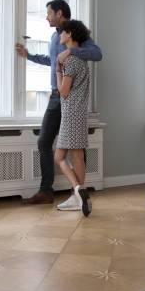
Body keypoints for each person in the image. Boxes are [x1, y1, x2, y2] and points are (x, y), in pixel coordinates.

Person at [15, 0, 102, 205]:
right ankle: (47, 191)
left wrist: (71, 51)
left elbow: (97, 54)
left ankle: (78, 194)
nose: (46, 17)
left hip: (72, 97)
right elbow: (54, 61)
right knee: (44, 141)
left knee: (76, 149)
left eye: (49, 13)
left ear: (59, 13)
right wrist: (29, 56)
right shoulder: (55, 37)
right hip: (57, 96)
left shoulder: (77, 32)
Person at [54, 20, 92, 215]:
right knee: (77, 156)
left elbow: (63, 91)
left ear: (69, 34)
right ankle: (79, 196)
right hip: (80, 113)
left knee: (59, 157)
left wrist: (57, 70)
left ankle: (78, 189)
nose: (60, 35)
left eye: (61, 32)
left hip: (69, 114)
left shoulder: (70, 61)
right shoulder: (83, 61)